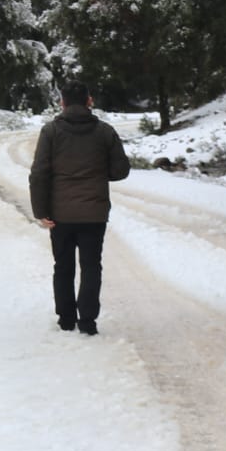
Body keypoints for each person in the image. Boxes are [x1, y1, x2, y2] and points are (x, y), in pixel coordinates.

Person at [28, 81, 130, 334]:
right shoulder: (105, 132)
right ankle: (88, 322)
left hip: (60, 215)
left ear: (62, 103)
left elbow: (39, 174)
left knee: (63, 266)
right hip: (94, 214)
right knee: (91, 266)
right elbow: (121, 170)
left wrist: (41, 211)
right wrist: (97, 172)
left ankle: (66, 319)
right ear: (89, 101)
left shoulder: (51, 132)